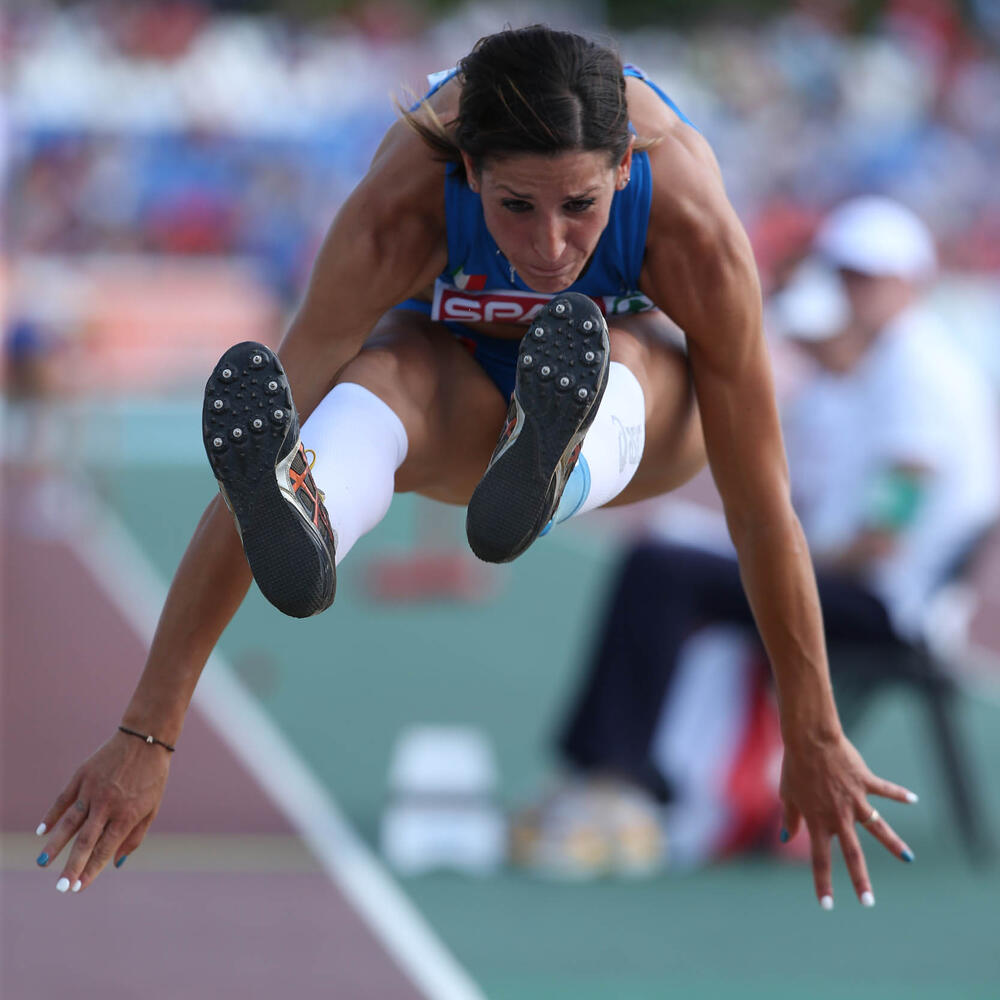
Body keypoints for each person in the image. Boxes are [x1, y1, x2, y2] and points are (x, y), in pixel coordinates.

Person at [36, 26, 917, 908]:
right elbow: (243, 484)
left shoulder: (688, 219)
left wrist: (814, 731)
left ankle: (558, 459)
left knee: (629, 353)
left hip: (637, 422)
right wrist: (145, 734)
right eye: (516, 206)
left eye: (580, 205)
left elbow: (759, 505)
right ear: (466, 169)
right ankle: (316, 510)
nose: (550, 246)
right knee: (385, 372)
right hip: (455, 414)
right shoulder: (401, 207)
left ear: (624, 167)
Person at [521, 199, 998, 876]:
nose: (853, 289)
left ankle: (615, 774)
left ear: (909, 282)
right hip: (871, 586)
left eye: (869, 277)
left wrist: (773, 559)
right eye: (845, 273)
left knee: (661, 570)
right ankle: (620, 774)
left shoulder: (918, 374)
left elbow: (880, 540)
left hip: (884, 602)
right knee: (670, 560)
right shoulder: (894, 364)